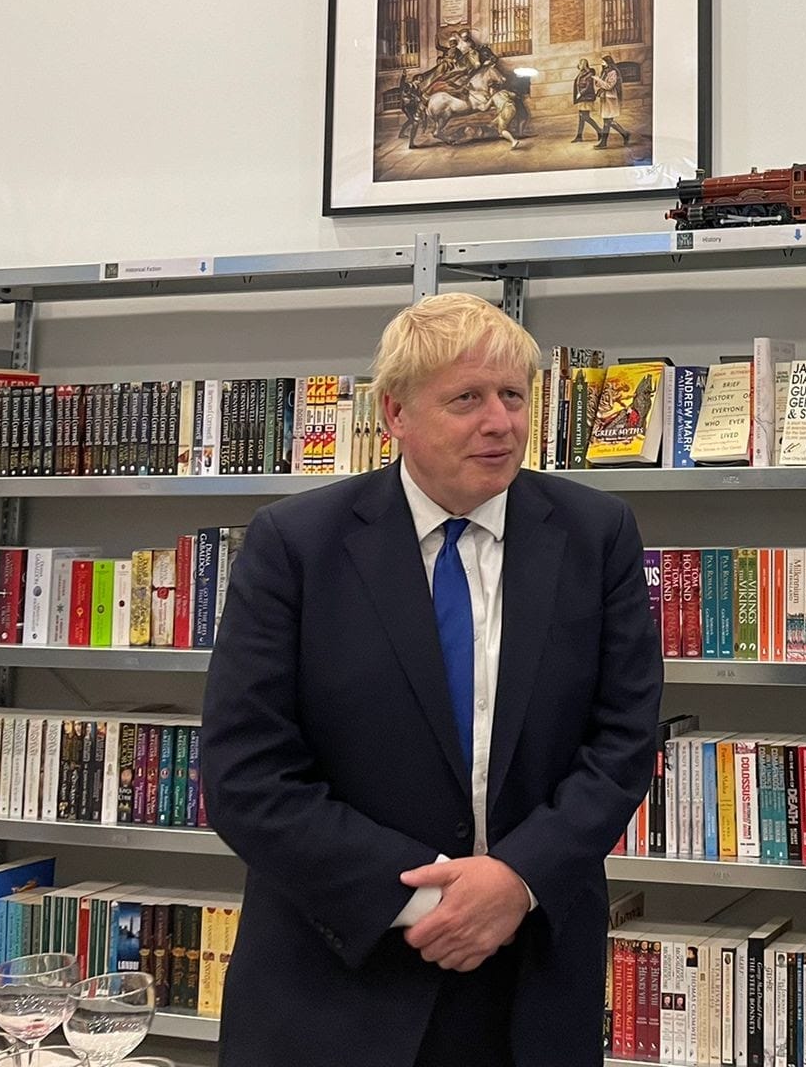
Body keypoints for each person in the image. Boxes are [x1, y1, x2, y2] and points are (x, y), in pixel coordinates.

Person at [201, 293, 664, 1067]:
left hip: (531, 977)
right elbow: (246, 776)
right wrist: (431, 900)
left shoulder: (597, 534)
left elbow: (623, 740)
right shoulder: (296, 546)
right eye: (466, 399)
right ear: (395, 414)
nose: (500, 422)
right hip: (337, 976)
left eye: (513, 396)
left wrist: (515, 881)